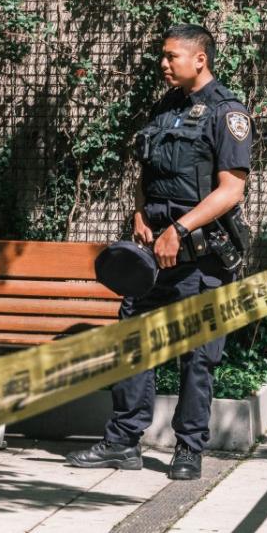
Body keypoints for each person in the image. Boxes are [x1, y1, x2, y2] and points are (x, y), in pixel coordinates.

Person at [66, 24, 253, 480]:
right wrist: (138, 212)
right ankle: (123, 441)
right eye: (163, 56)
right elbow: (145, 170)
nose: (163, 63)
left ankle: (188, 449)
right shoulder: (165, 108)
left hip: (202, 256)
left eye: (171, 57)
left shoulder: (228, 114)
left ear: (200, 59)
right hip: (154, 254)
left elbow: (232, 191)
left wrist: (179, 228)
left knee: (197, 357)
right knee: (134, 340)